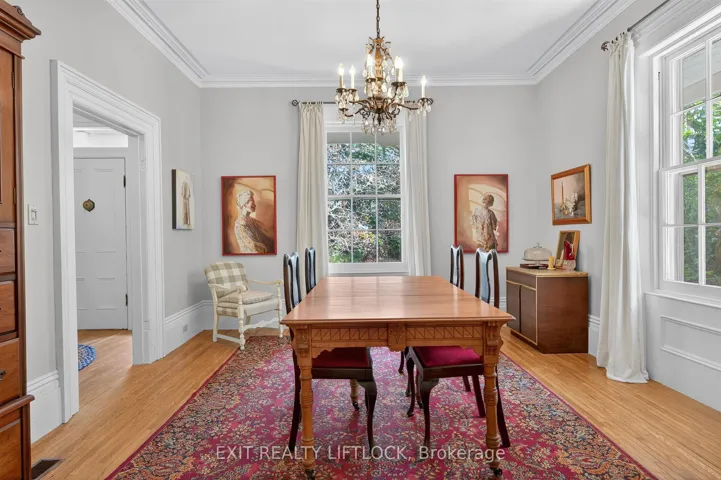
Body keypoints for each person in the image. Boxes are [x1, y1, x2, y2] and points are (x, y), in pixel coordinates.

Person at [234, 189, 274, 254]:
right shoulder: (240, 223)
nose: (255, 205)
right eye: (252, 203)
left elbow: (262, 236)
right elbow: (253, 245)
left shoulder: (251, 220)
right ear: (244, 204)